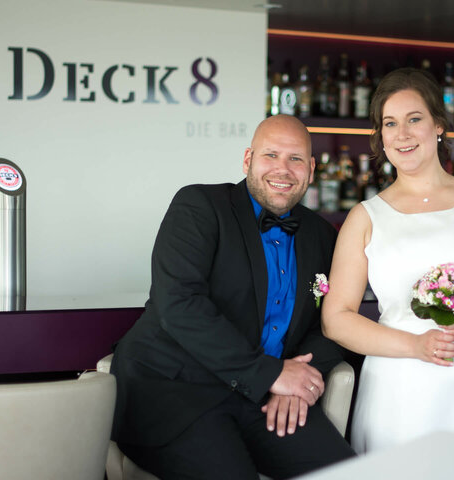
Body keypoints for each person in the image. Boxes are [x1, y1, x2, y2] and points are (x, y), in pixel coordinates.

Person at [110, 114, 355, 479]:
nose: (283, 169)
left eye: (296, 159)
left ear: (312, 168)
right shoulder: (199, 206)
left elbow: (334, 320)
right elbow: (179, 305)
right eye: (270, 155)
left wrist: (299, 379)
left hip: (266, 399)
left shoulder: (322, 234)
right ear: (247, 160)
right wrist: (270, 374)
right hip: (177, 392)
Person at [321, 68, 454, 453]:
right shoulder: (365, 217)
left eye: (414, 119)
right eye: (390, 123)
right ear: (381, 137)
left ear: (438, 125)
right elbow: (336, 319)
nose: (402, 133)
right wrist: (414, 346)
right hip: (398, 388)